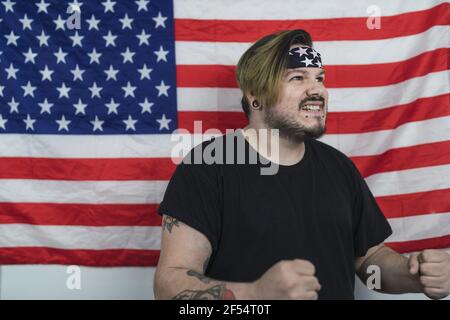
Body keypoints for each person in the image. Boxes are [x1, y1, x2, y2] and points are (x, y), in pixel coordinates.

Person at [154, 29, 450, 300]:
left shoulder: (339, 169)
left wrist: (414, 274)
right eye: (297, 78)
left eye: (319, 78)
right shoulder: (208, 168)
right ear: (255, 96)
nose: (317, 90)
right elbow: (169, 285)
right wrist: (254, 294)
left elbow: (370, 261)